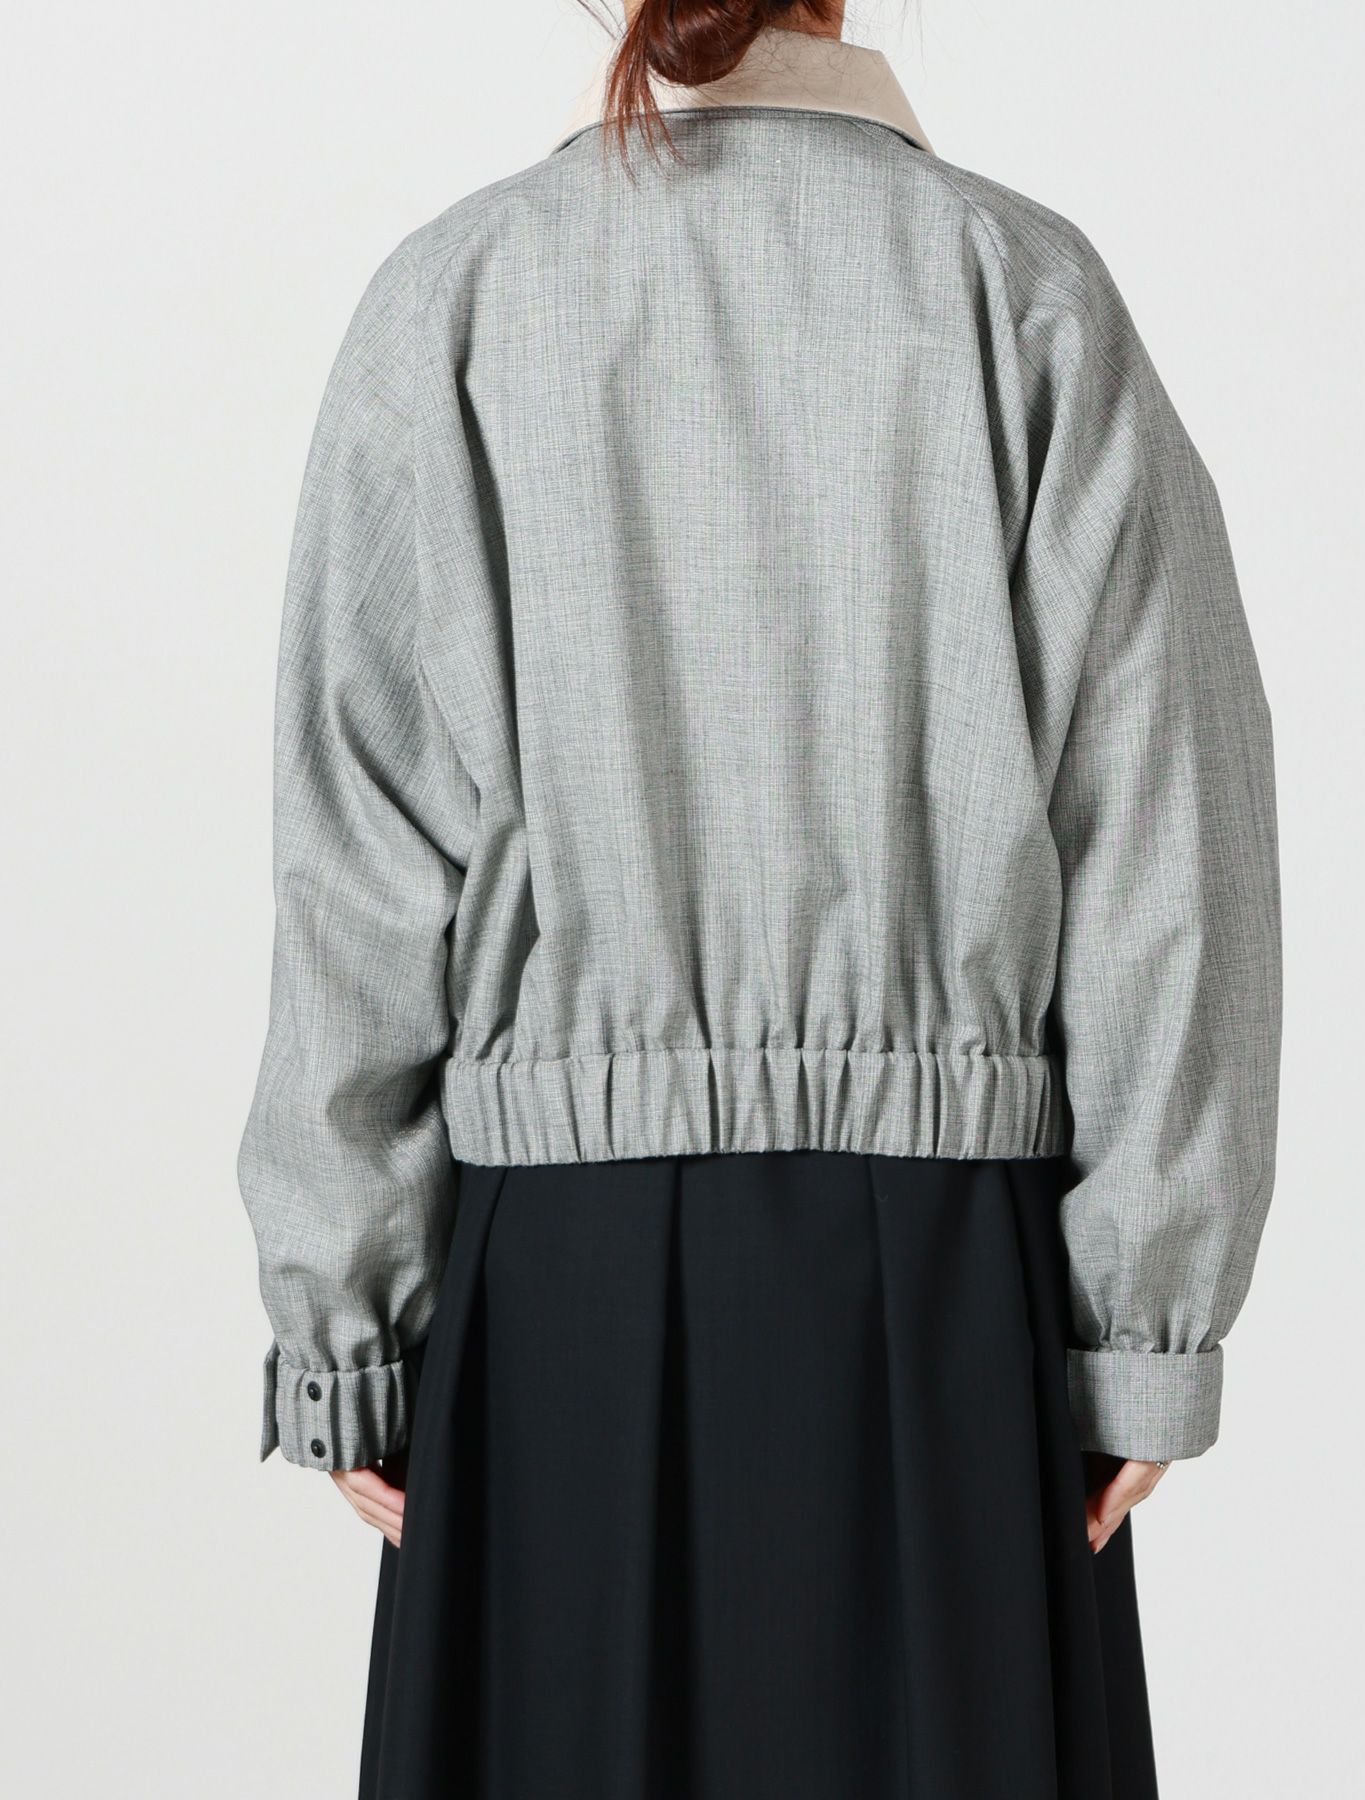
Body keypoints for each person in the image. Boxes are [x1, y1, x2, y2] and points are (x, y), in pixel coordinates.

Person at [238, 2, 1281, 1794]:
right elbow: (1168, 839)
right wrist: (1146, 1320)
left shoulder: (456, 299)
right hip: (953, 1302)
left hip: (547, 1307)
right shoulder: (1020, 291)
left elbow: (357, 857)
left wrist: (345, 1322)